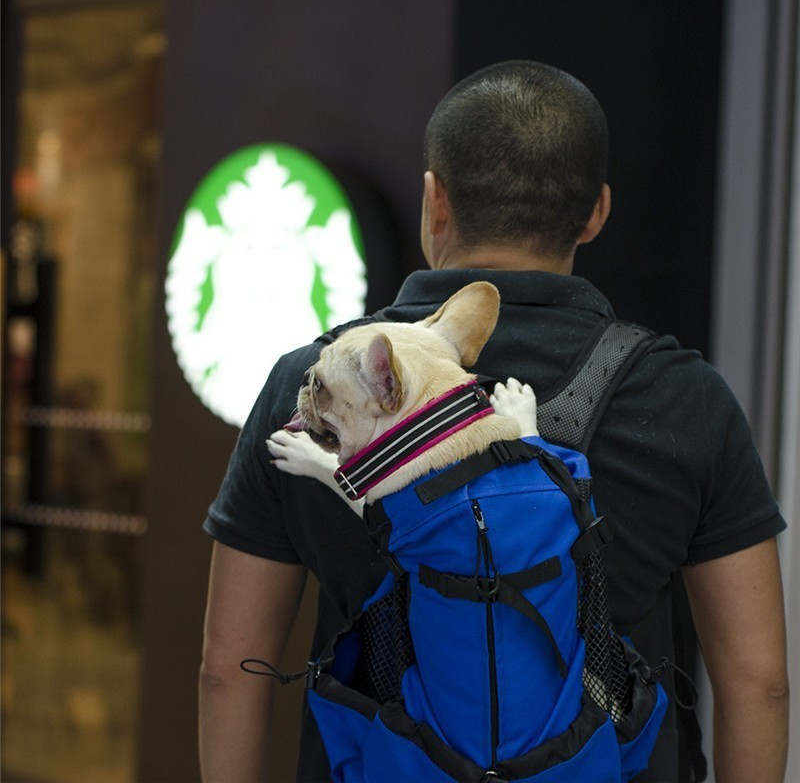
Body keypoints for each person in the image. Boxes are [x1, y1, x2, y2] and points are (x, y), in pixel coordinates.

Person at [199, 61, 789, 783]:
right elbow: (758, 683)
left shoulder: (313, 387)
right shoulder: (686, 398)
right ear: (597, 211)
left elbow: (229, 670)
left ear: (434, 202)